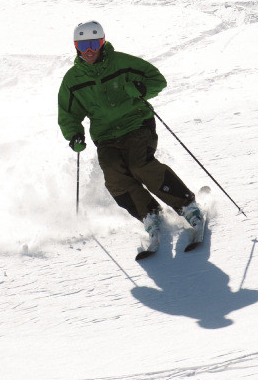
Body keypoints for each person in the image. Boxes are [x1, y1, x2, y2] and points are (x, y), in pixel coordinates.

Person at [57, 20, 203, 253]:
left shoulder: (123, 64)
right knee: (114, 178)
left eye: (94, 43)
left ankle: (188, 206)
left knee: (140, 165)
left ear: (103, 42)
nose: (89, 51)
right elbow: (68, 114)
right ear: (76, 47)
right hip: (105, 136)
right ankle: (149, 214)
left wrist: (142, 89)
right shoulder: (73, 80)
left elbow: (157, 80)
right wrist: (74, 134)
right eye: (83, 46)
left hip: (136, 123)